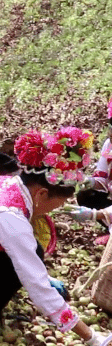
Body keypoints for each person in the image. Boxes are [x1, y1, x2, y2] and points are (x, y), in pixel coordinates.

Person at [0, 128, 103, 346]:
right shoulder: (11, 217)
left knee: (32, 254)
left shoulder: (6, 181)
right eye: (58, 204)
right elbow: (38, 287)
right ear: (42, 193)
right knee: (29, 259)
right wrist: (90, 336)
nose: (53, 210)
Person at [71, 96, 112, 244]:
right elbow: (103, 179)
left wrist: (96, 215)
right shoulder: (109, 144)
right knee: (86, 195)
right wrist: (87, 181)